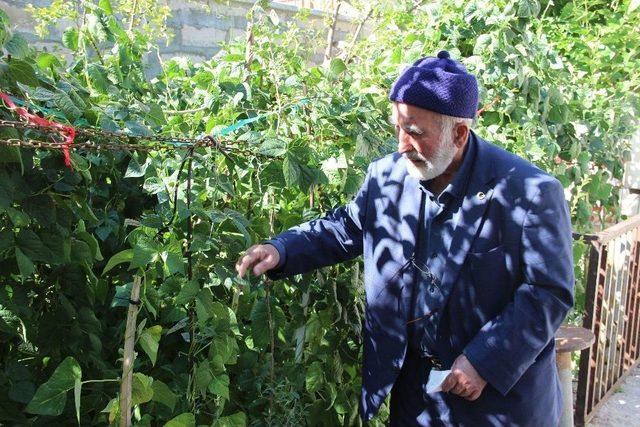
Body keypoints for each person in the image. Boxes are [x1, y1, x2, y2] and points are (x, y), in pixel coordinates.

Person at [235, 51, 574, 426]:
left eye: (414, 133)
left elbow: (548, 291)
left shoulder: (529, 192)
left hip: (497, 404)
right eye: (397, 127)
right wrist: (280, 249)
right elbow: (346, 227)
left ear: (459, 133)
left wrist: (483, 360)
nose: (401, 145)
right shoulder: (387, 176)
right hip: (415, 398)